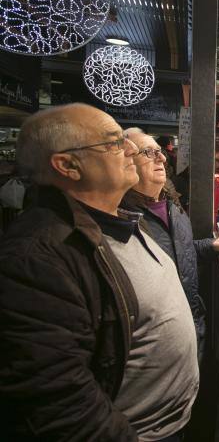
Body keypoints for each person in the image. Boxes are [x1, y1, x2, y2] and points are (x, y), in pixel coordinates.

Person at [0, 104, 198, 440]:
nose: (131, 151)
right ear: (67, 165)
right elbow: (58, 403)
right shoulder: (35, 259)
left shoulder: (118, 217)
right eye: (114, 143)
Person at [120, 128, 219, 363]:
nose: (161, 158)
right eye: (148, 152)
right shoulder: (119, 216)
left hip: (192, 322)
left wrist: (210, 246)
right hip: (153, 347)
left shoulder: (171, 203)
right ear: (125, 162)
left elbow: (179, 250)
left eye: (159, 152)